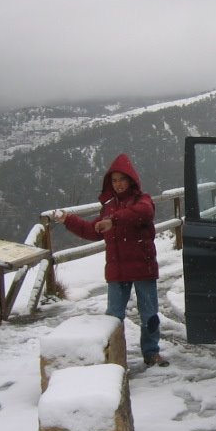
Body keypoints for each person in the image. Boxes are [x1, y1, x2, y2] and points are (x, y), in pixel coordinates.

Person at [53, 153, 168, 367]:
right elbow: (92, 230)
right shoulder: (108, 207)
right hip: (117, 271)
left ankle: (151, 352)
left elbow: (144, 213)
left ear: (131, 180)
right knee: (113, 318)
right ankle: (114, 355)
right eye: (114, 180)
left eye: (122, 179)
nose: (118, 184)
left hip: (142, 267)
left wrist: (113, 221)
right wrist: (69, 219)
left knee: (149, 315)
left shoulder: (143, 200)